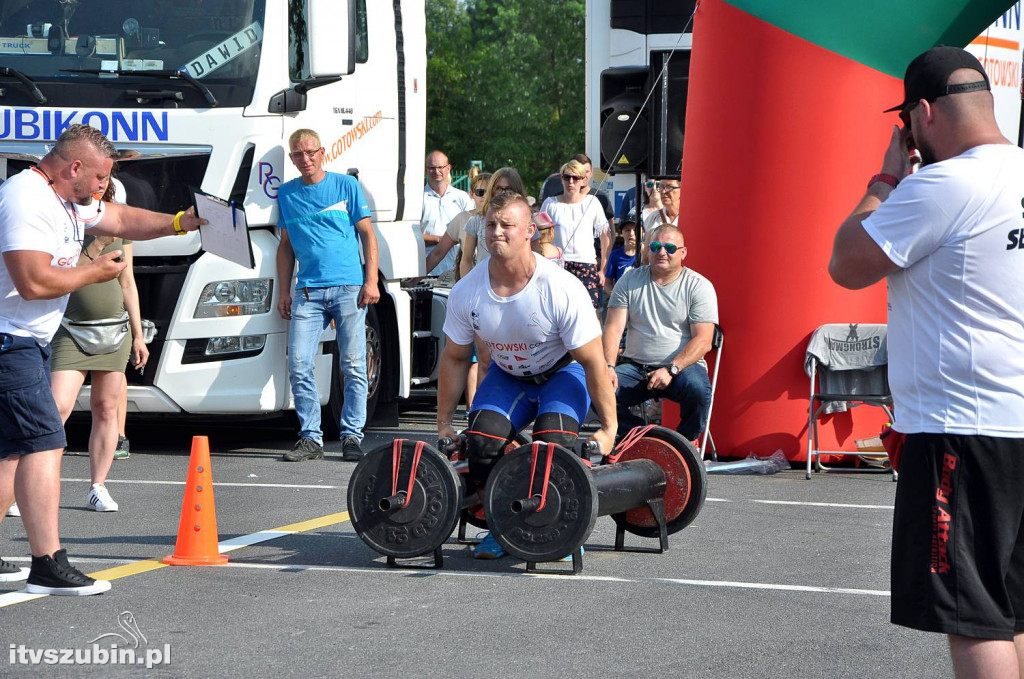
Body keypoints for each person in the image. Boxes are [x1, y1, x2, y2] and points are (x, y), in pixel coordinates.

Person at [828, 46, 1024, 679]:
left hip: (964, 429)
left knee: (973, 616)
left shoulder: (945, 184)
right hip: (1015, 417)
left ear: (922, 115)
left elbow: (846, 261)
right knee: (1012, 611)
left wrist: (884, 180)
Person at [0, 123, 205, 595]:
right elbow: (32, 282)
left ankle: (45, 561)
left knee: (14, 451)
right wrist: (94, 272)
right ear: (74, 167)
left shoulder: (66, 196)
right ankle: (48, 563)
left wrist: (180, 222)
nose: (102, 188)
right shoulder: (26, 198)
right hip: (12, 342)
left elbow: (120, 219)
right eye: (98, 178)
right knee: (44, 443)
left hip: (25, 342)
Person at [437, 191, 617, 559]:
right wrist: (443, 423)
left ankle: (561, 528)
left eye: (507, 225)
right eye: (491, 225)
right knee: (481, 442)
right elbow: (455, 359)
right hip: (509, 377)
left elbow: (593, 362)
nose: (496, 233)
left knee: (553, 442)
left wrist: (610, 428)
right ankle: (498, 527)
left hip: (562, 373)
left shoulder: (560, 288)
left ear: (529, 231)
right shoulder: (466, 291)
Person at [276, 128, 379, 464]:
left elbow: (368, 235)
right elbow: (286, 246)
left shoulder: (345, 186)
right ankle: (311, 438)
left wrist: (371, 280)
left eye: (310, 153)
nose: (305, 160)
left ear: (322, 153)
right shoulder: (287, 194)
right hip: (307, 289)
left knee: (352, 364)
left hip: (349, 286)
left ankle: (351, 436)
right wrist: (283, 290)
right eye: (298, 155)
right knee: (299, 362)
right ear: (292, 159)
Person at [50, 175, 148, 513]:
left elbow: (128, 283)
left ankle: (98, 486)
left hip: (115, 333)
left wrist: (138, 334)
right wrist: (96, 244)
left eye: (104, 185)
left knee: (106, 409)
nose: (99, 189)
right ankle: (23, 486)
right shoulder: (67, 221)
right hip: (71, 330)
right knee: (57, 408)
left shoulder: (119, 228)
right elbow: (63, 275)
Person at [602, 225, 717, 442]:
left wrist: (671, 369)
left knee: (698, 390)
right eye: (655, 246)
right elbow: (613, 329)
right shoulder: (628, 280)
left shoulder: (699, 286)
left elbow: (703, 340)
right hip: (636, 367)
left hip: (682, 368)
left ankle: (681, 445)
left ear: (683, 253)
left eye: (670, 247)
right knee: (597, 389)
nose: (662, 252)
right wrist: (608, 366)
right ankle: (644, 438)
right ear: (647, 249)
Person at [539, 159, 611, 309]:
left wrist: (603, 269)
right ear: (562, 178)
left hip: (586, 265)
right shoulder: (550, 203)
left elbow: (606, 237)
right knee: (557, 310)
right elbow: (539, 237)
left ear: (583, 179)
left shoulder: (593, 202)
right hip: (557, 264)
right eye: (567, 177)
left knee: (591, 311)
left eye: (575, 178)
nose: (571, 182)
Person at [461, 167, 527, 278]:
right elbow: (466, 260)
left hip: (515, 281)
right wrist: (465, 287)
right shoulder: (476, 220)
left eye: (508, 189)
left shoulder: (526, 220)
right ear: (492, 190)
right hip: (483, 281)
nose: (503, 193)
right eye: (499, 188)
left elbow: (535, 255)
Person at [424, 172, 491, 279]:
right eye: (480, 192)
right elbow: (438, 252)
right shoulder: (462, 218)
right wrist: (415, 279)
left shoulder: (501, 218)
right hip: (471, 281)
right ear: (471, 194)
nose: (485, 196)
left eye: (489, 192)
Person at [421, 150, 473, 276]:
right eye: (432, 168)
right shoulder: (416, 199)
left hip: (458, 272)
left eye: (440, 167)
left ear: (448, 168)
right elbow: (410, 235)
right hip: (428, 273)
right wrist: (441, 240)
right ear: (426, 170)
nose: (436, 171)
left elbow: (472, 232)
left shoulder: (462, 197)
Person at [603, 219, 638, 297]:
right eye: (627, 230)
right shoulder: (615, 255)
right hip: (622, 299)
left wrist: (642, 249)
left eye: (635, 230)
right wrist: (615, 297)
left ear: (643, 232)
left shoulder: (648, 253)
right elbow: (607, 283)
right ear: (622, 233)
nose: (631, 234)